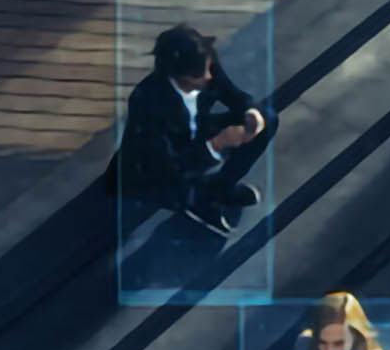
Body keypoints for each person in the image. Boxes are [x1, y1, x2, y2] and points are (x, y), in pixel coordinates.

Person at [113, 24, 277, 239]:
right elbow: (168, 167)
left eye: (209, 68)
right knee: (179, 178)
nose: (209, 76)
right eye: (199, 74)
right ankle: (200, 200)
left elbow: (232, 94)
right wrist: (217, 144)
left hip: (193, 131)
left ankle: (218, 188)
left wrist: (251, 113)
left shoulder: (204, 63)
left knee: (268, 119)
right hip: (156, 170)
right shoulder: (147, 101)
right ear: (177, 74)